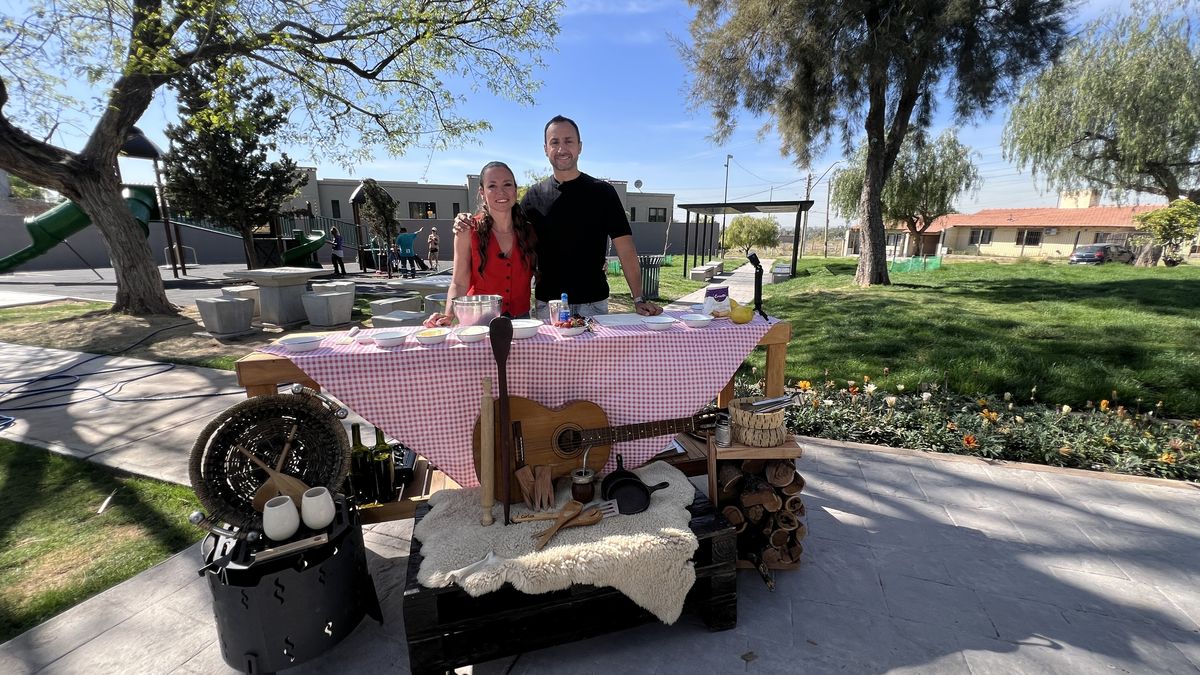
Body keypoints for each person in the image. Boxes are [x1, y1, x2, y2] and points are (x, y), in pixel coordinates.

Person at [459, 115, 662, 319]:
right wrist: (465, 220)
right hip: (549, 306)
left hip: (594, 304)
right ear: (546, 149)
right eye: (554, 142)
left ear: (580, 146)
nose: (561, 148)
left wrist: (638, 299)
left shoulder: (603, 193)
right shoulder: (532, 197)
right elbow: (499, 219)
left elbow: (626, 249)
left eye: (568, 141)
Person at [424, 161, 537, 327]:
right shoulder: (467, 229)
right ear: (482, 192)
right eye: (492, 186)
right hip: (478, 320)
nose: (501, 191)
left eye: (507, 184)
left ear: (515, 189)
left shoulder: (530, 231)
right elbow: (459, 282)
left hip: (521, 320)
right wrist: (448, 315)